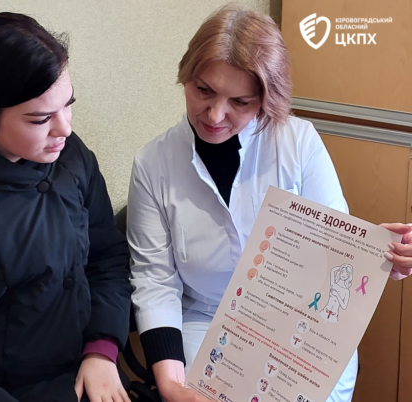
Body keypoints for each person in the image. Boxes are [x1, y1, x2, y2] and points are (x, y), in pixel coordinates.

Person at [127, 5, 412, 402]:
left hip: (300, 320)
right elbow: (156, 284)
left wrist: (379, 257)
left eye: (240, 102)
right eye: (203, 90)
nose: (215, 115)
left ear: (265, 99)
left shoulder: (298, 143)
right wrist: (172, 386)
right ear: (186, 76)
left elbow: (335, 249)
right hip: (206, 322)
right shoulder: (153, 163)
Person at [0, 13, 131, 402]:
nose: (65, 129)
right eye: (40, 119)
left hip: (81, 371)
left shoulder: (70, 155)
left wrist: (102, 349)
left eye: (68, 105)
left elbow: (107, 256)